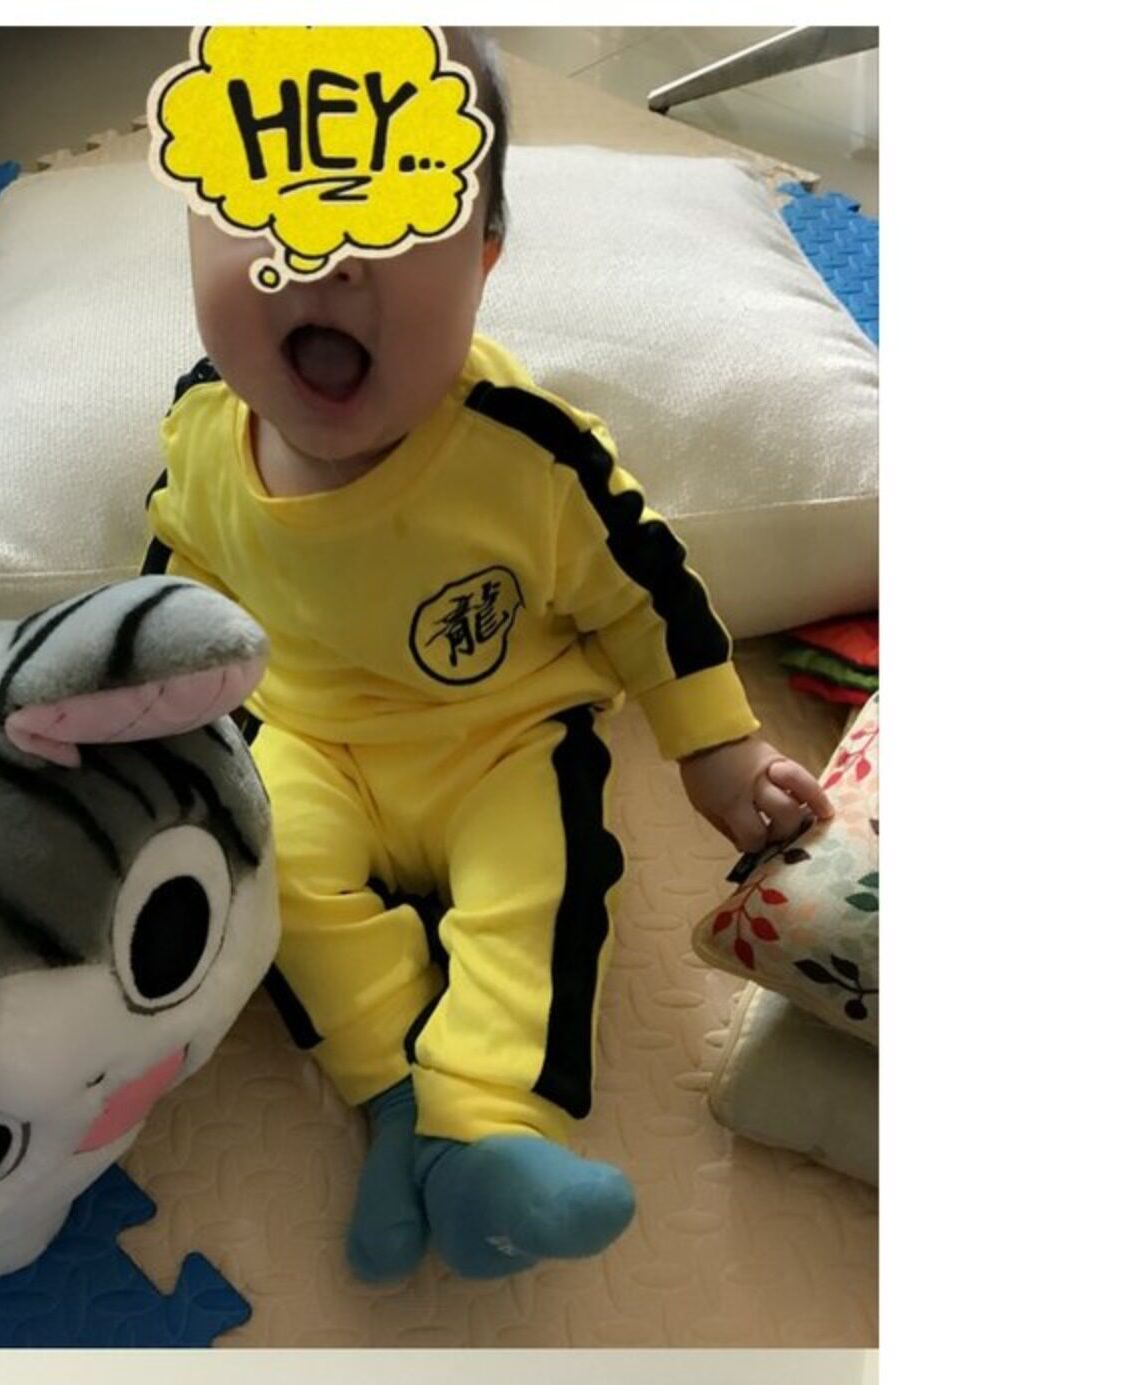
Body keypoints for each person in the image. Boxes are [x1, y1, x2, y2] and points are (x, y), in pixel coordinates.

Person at [141, 28, 833, 1283]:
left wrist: (718, 750)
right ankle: (396, 1097)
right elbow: (177, 577)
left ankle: (485, 1134)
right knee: (262, 864)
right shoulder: (198, 432)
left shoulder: (524, 454)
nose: (326, 257)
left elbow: (648, 591)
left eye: (391, 214)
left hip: (504, 740)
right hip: (310, 737)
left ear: (483, 261)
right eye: (264, 212)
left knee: (542, 893)